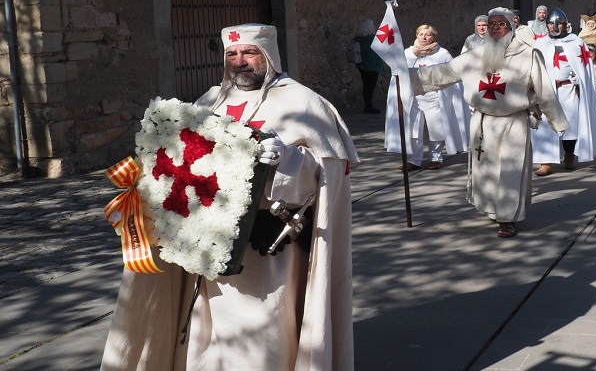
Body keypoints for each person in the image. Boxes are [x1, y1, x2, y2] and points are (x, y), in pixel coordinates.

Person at [101, 23, 358, 371]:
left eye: (249, 53)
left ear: (268, 56)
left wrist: (287, 159)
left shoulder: (304, 103)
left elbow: (325, 175)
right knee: (210, 328)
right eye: (232, 55)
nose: (240, 62)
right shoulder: (209, 101)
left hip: (269, 248)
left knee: (264, 328)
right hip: (208, 241)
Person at [409, 7, 568, 238]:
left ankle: (507, 218)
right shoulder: (474, 55)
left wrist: (558, 121)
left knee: (510, 172)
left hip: (513, 123)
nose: (495, 29)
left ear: (510, 27)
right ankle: (494, 209)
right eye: (491, 24)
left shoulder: (528, 55)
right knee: (487, 172)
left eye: (500, 24)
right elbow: (443, 73)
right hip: (482, 123)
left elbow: (545, 91)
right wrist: (408, 77)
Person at [386, 25, 469, 171]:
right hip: (413, 97)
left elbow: (452, 74)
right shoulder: (406, 53)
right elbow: (398, 74)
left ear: (434, 37)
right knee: (413, 129)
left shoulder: (442, 54)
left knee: (435, 128)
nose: (424, 37)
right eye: (421, 34)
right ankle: (414, 159)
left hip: (435, 97)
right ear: (416, 35)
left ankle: (435, 157)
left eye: (428, 35)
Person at [530, 8, 596, 175]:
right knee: (545, 125)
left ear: (565, 25)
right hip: (546, 91)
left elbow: (585, 68)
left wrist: (579, 80)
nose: (554, 27)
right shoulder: (540, 43)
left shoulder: (576, 43)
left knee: (570, 124)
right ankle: (546, 162)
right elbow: (533, 67)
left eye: (558, 24)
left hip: (568, 89)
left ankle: (569, 155)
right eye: (550, 24)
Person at [354, 18, 384, 113]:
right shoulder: (371, 39)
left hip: (362, 66)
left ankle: (368, 105)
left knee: (366, 86)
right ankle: (368, 106)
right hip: (372, 67)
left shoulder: (358, 39)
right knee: (370, 86)